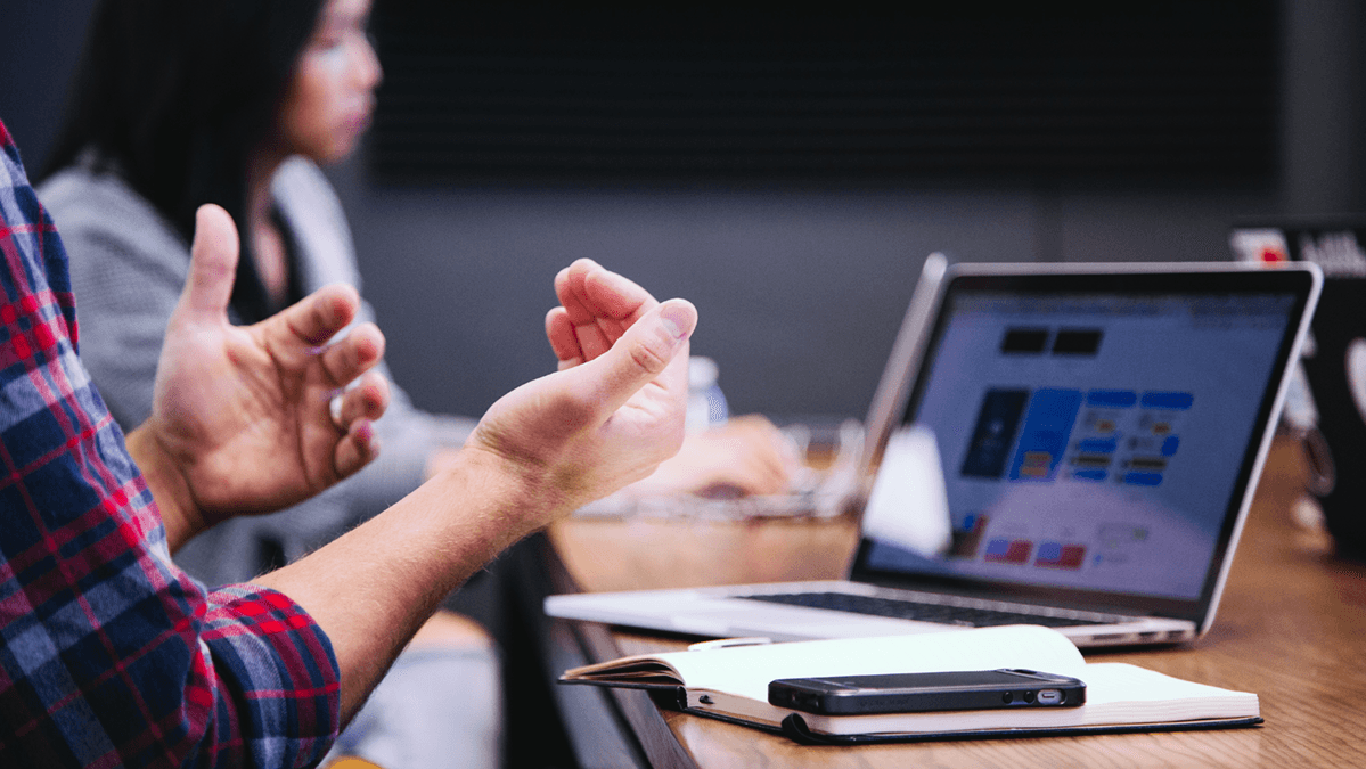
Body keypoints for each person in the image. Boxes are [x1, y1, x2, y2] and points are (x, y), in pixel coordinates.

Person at [37, 0, 794, 765]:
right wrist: (586, 471)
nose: (371, 71)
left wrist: (578, 452)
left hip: (262, 633)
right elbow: (337, 482)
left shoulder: (298, 201)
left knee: (460, 667)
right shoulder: (89, 239)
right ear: (226, 50)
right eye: (332, 41)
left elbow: (372, 436)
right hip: (175, 682)